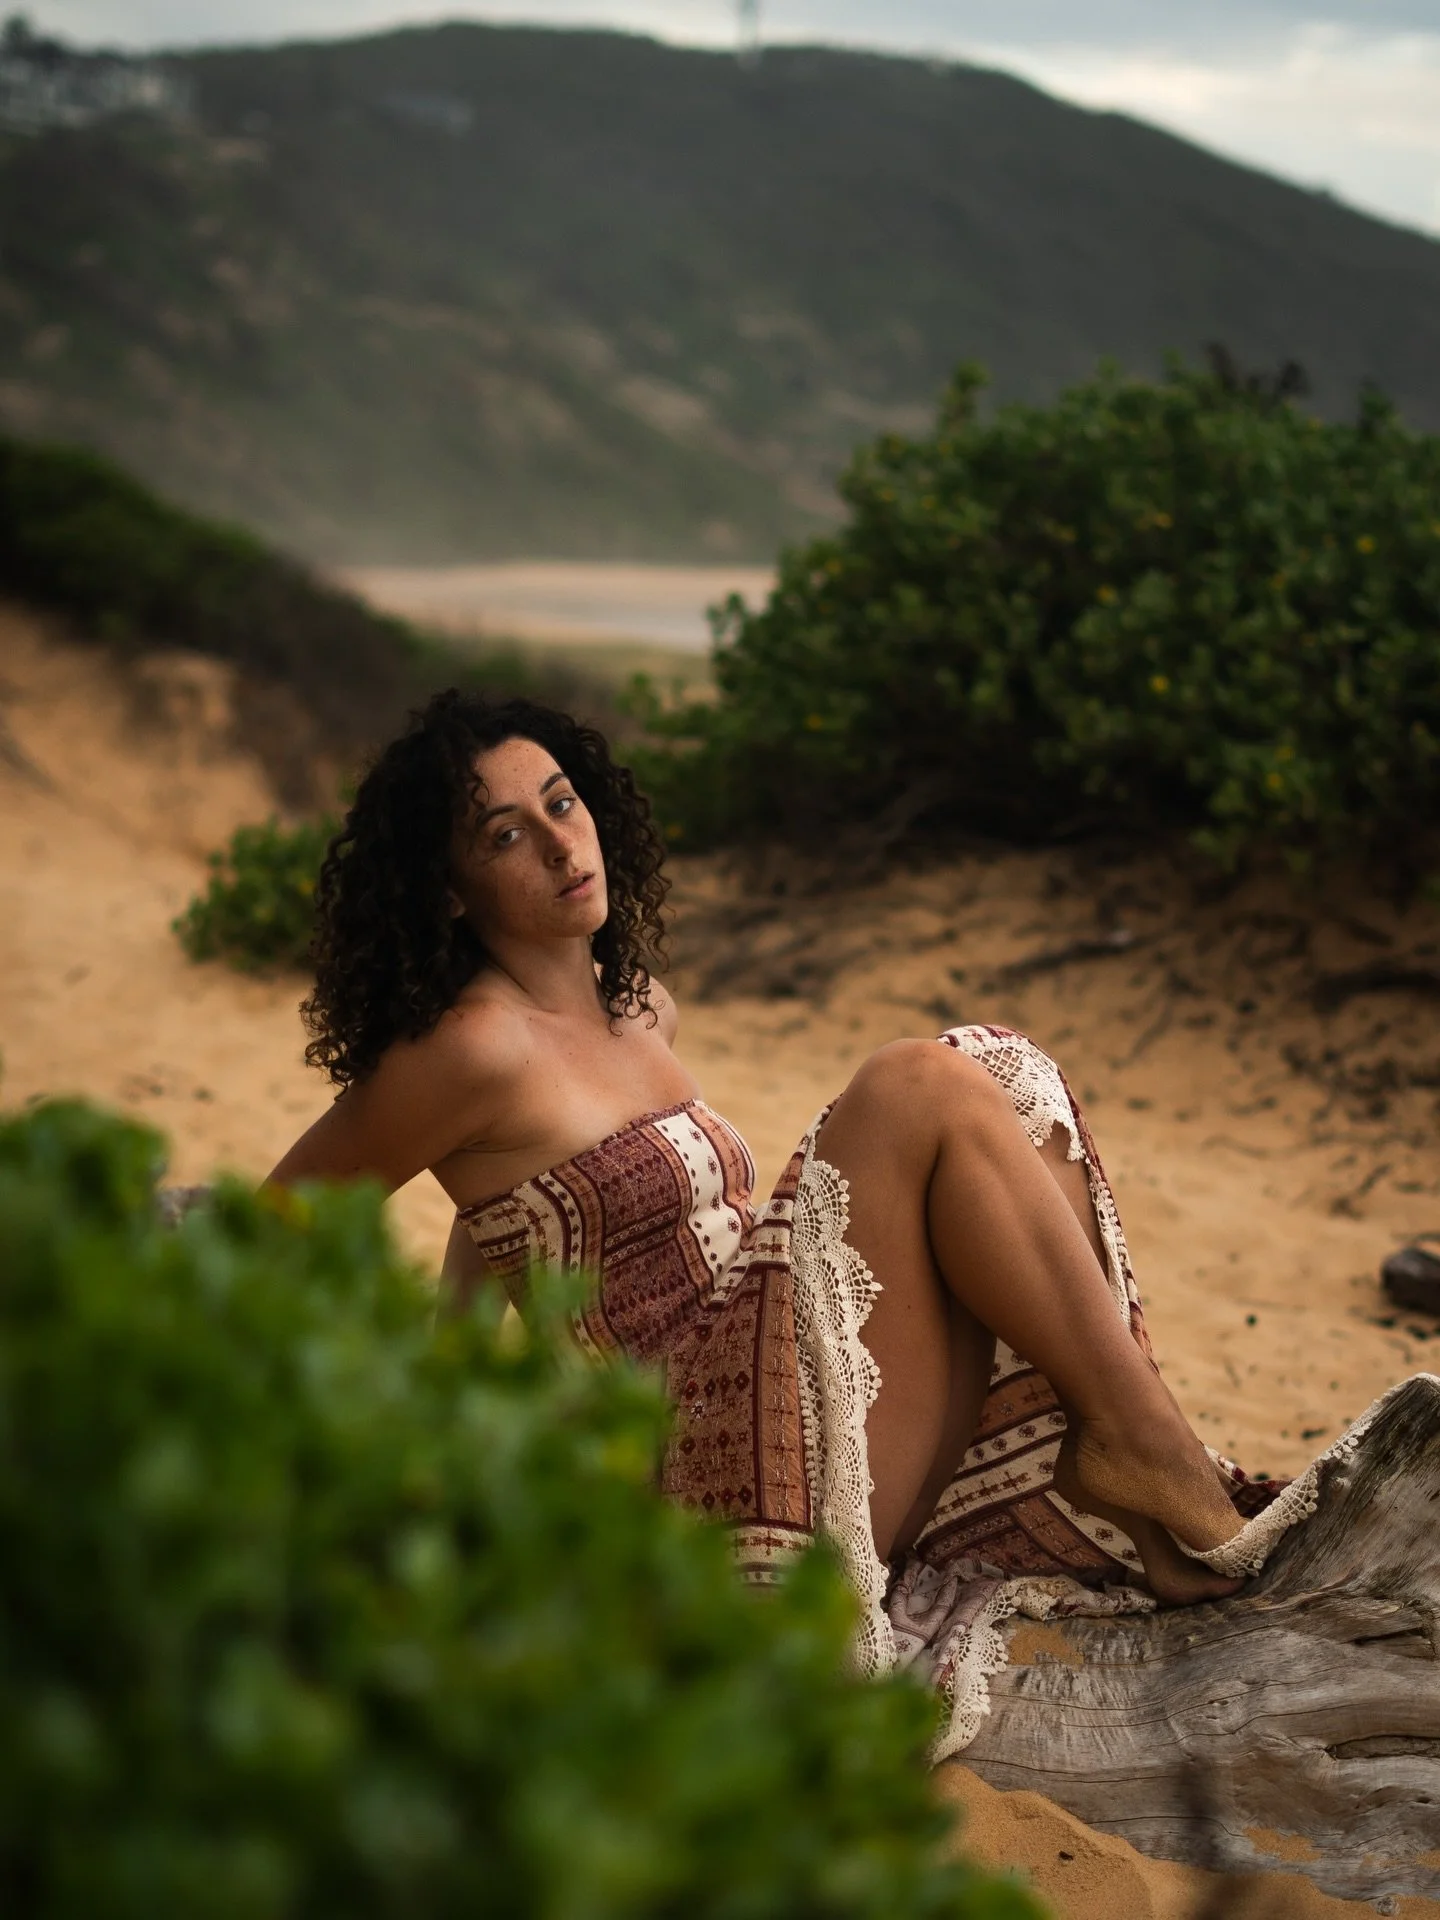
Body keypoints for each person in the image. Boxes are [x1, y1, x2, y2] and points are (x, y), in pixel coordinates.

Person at [268, 689, 1301, 1753]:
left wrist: (460, 1354)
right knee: (914, 1086)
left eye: (563, 804)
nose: (558, 844)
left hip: (774, 1393)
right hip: (688, 1477)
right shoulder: (463, 1050)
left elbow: (492, 1216)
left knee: (999, 1066)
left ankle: (1136, 1458)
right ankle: (1155, 1461)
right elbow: (274, 1228)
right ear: (448, 889)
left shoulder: (640, 1012)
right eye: (504, 835)